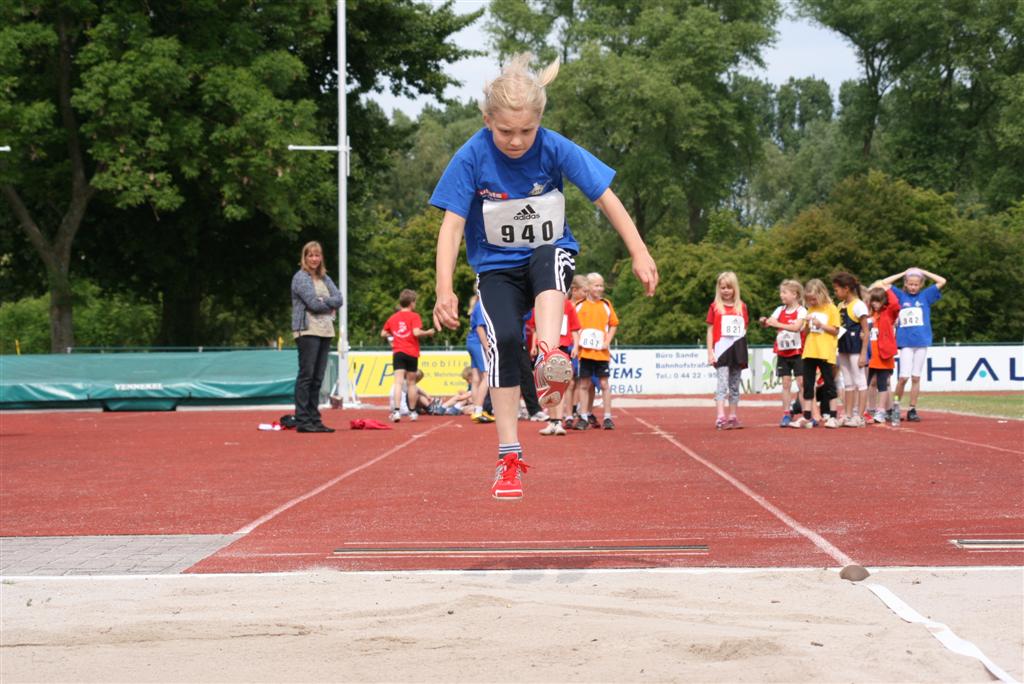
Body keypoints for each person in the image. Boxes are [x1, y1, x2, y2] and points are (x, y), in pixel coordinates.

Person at [430, 53, 658, 500]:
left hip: (547, 251)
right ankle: (509, 457)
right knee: (503, 340)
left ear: (540, 122)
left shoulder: (554, 146)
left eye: (526, 131)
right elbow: (452, 227)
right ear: (487, 121)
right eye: (505, 132)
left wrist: (640, 251)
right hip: (495, 268)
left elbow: (605, 197)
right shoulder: (471, 155)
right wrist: (444, 289)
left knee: (549, 257)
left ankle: (550, 354)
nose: (516, 141)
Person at [877, 267, 947, 422]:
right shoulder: (901, 295)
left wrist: (923, 271)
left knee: (916, 377)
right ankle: (895, 407)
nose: (913, 287)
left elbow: (942, 281)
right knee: (903, 378)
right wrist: (904, 273)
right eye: (910, 284)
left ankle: (912, 409)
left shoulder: (925, 295)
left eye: (916, 284)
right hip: (906, 342)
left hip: (921, 341)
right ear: (906, 284)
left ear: (920, 285)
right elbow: (884, 283)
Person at [291, 241, 343, 433]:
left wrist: (325, 301)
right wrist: (329, 305)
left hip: (326, 330)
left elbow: (339, 299)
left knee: (318, 377)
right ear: (304, 257)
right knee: (307, 375)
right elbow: (312, 303)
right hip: (307, 330)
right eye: (310, 255)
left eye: (317, 255)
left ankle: (315, 418)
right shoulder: (300, 278)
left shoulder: (324, 278)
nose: (314, 259)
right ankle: (303, 419)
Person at [790, 278, 841, 429]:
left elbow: (836, 330)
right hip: (810, 351)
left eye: (813, 299)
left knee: (829, 384)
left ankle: (833, 416)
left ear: (821, 294)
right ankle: (807, 416)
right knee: (808, 385)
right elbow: (806, 332)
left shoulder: (831, 309)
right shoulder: (810, 309)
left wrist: (821, 324)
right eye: (809, 299)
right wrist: (806, 323)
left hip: (825, 352)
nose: (811, 302)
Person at [527, 295, 581, 435]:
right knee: (546, 385)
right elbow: (535, 328)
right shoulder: (539, 303)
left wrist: (576, 346)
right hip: (544, 347)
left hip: (562, 346)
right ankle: (552, 421)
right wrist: (533, 346)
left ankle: (558, 421)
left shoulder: (567, 305)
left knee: (559, 384)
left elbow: (574, 328)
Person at [381, 289, 435, 423]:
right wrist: (428, 332)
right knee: (411, 383)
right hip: (411, 352)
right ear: (411, 303)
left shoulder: (393, 317)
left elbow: (383, 333)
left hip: (398, 352)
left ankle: (396, 411)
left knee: (398, 382)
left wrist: (394, 334)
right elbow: (416, 332)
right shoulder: (414, 316)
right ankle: (412, 412)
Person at [574, 272, 620, 430]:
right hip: (585, 352)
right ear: (588, 287)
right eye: (596, 285)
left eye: (601, 285)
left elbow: (613, 324)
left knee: (604, 383)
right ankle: (583, 417)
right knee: (584, 384)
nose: (600, 289)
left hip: (601, 353)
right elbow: (574, 327)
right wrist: (577, 342)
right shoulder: (579, 306)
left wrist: (607, 341)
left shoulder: (606, 304)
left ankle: (607, 417)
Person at [760, 279, 806, 427]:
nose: (781, 295)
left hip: (798, 352)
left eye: (784, 292)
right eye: (781, 292)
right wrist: (764, 321)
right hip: (783, 352)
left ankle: (805, 415)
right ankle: (786, 413)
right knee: (785, 383)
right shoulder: (780, 310)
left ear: (795, 294)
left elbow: (797, 327)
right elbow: (769, 322)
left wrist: (778, 324)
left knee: (801, 383)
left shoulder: (801, 311)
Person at [706, 271, 749, 429]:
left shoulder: (742, 307)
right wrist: (710, 352)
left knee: (735, 385)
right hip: (721, 350)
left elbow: (745, 327)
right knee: (722, 384)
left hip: (737, 349)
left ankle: (733, 416)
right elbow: (710, 330)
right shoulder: (715, 307)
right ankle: (720, 417)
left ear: (735, 288)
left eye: (729, 287)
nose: (726, 291)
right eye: (723, 287)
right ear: (719, 289)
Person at [832, 272, 870, 427]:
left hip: (855, 348)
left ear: (846, 288)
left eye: (836, 289)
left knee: (860, 381)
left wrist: (863, 354)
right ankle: (847, 415)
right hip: (843, 347)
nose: (835, 292)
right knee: (847, 382)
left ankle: (860, 416)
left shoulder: (859, 305)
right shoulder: (840, 306)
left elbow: (866, 331)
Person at [865, 285, 902, 426]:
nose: (875, 304)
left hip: (883, 355)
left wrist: (886, 288)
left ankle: (881, 411)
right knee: (869, 383)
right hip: (870, 355)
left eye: (878, 301)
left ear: (884, 301)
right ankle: (870, 409)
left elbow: (895, 304)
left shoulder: (889, 313)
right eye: (873, 301)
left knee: (882, 384)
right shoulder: (869, 314)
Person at [562, 274, 590, 429]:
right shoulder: (565, 305)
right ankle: (568, 414)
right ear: (574, 290)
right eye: (584, 291)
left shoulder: (587, 306)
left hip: (582, 348)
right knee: (569, 382)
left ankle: (580, 411)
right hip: (567, 346)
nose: (586, 294)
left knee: (582, 382)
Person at [466, 295, 492, 422]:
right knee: (487, 376)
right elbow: (480, 328)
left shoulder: (476, 305)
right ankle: (478, 410)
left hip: (471, 341)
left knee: (476, 378)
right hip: (478, 342)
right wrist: (487, 347)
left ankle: (476, 409)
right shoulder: (482, 305)